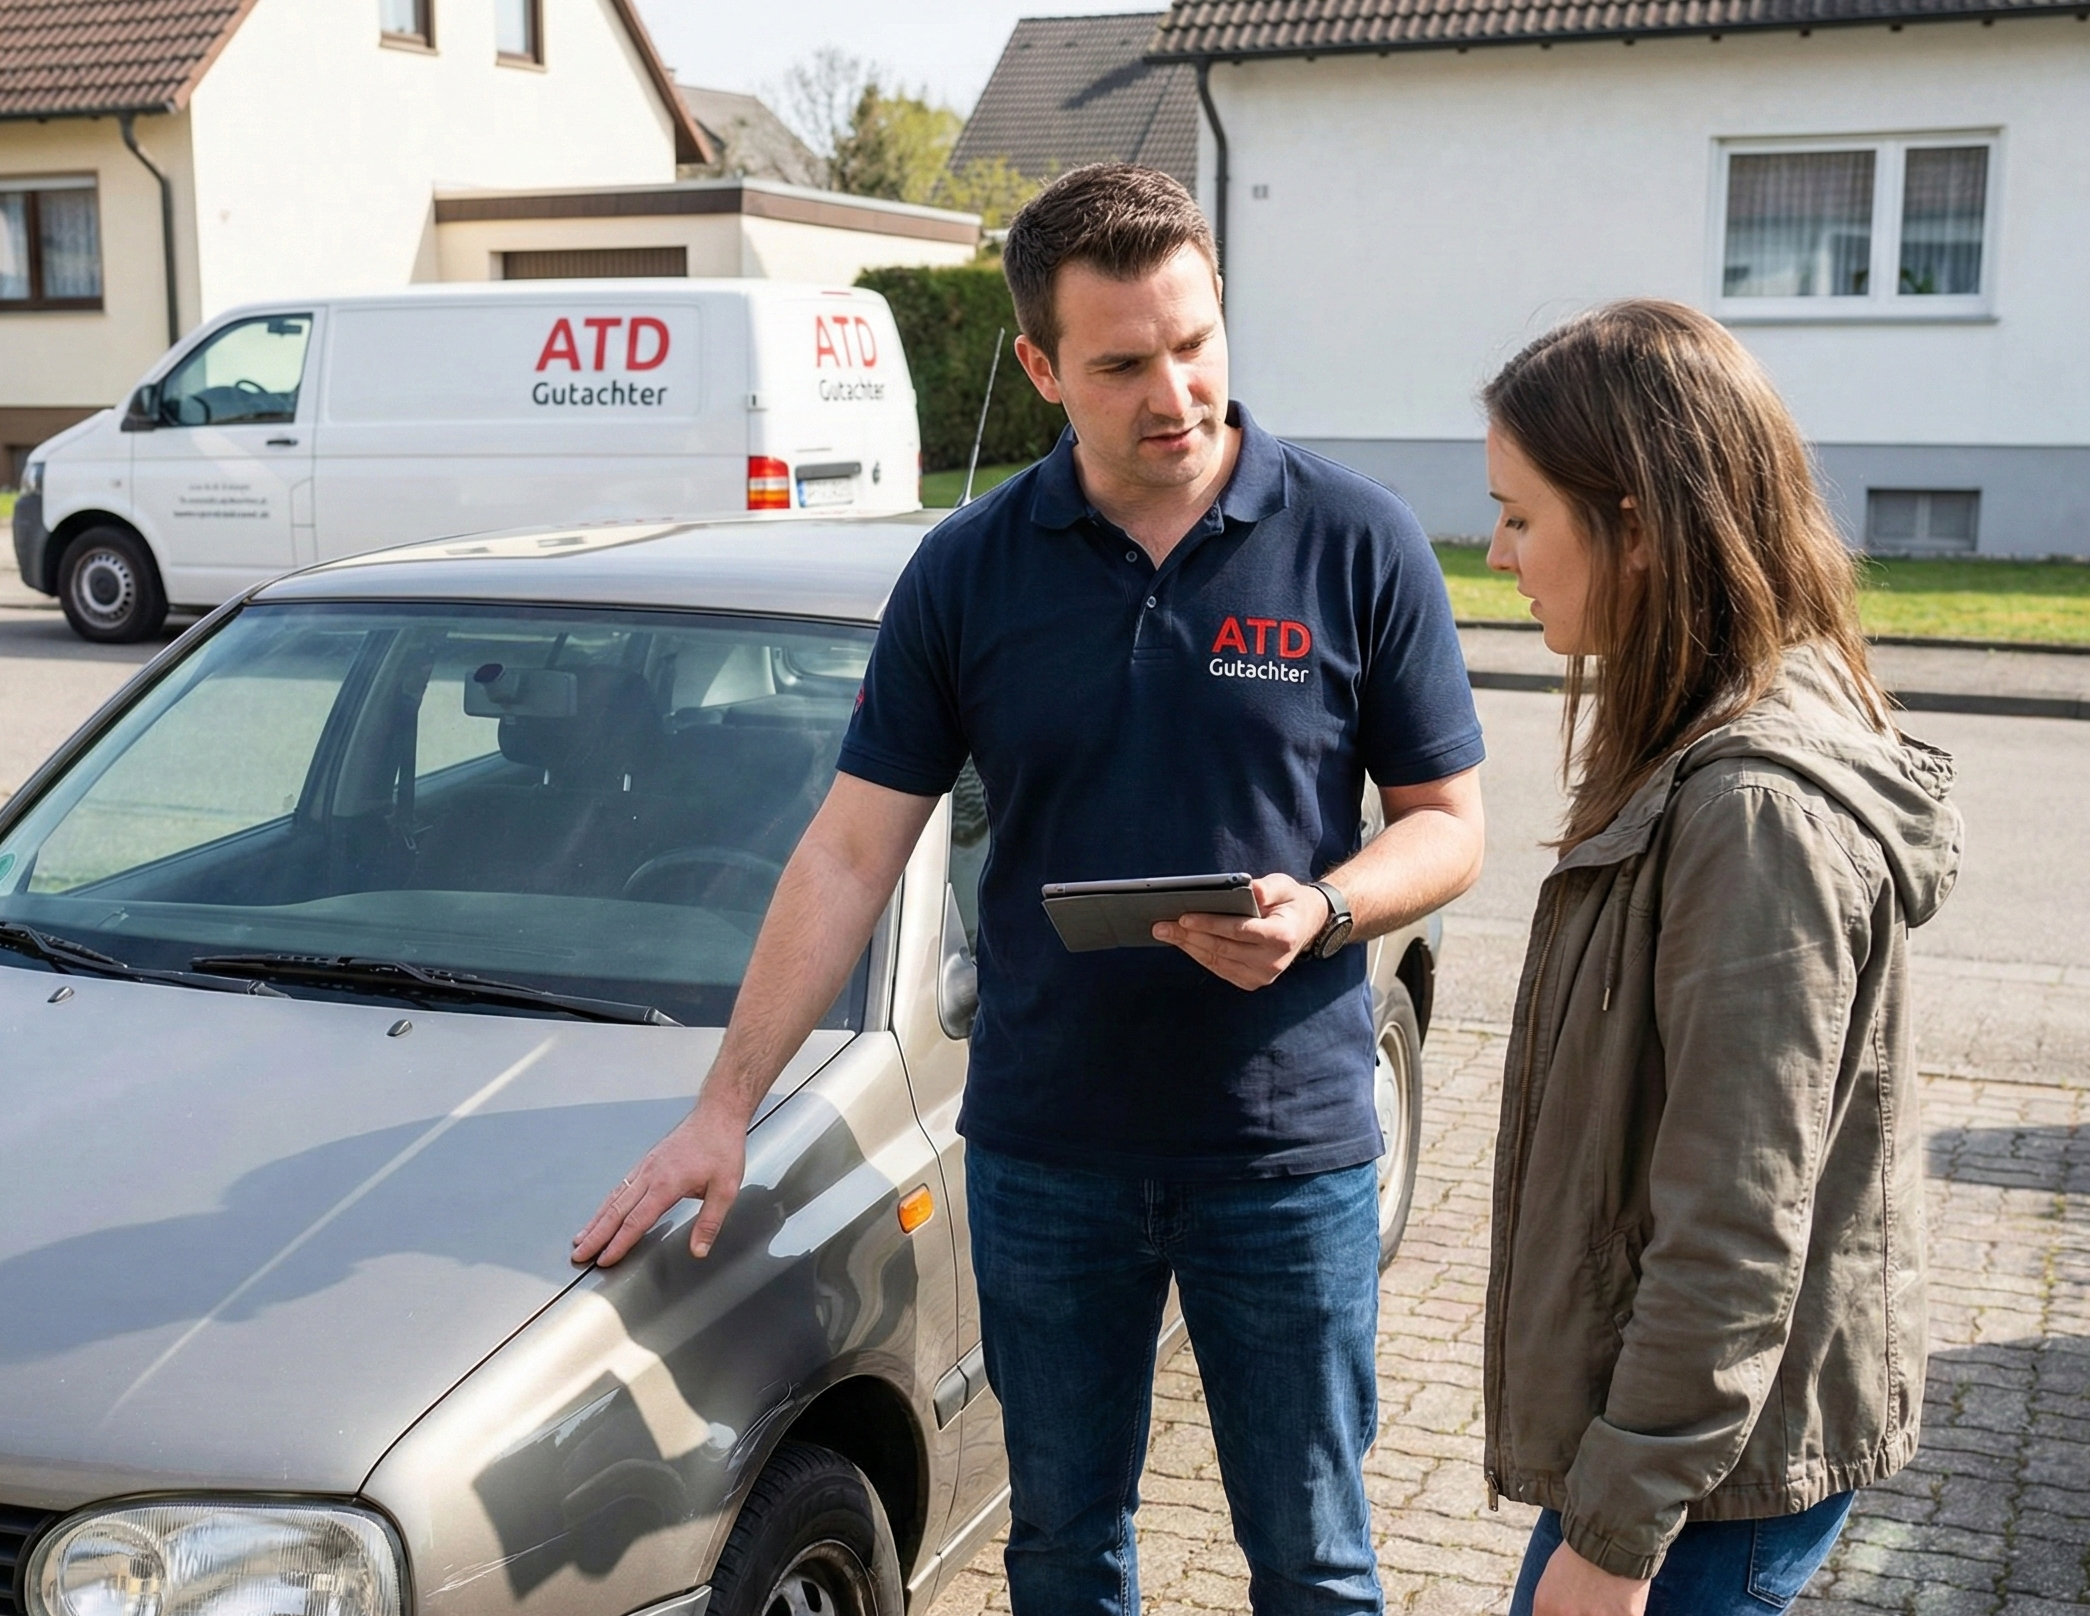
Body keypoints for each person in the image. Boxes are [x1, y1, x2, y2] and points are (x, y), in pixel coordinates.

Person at [573, 162, 1486, 1614]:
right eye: (1123, 365)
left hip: (1285, 1151)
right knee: (1065, 1548)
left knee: (1314, 1558)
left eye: (1195, 343)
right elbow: (848, 848)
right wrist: (723, 1109)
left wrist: (1327, 908)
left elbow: (1449, 826)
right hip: (1048, 1155)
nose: (1175, 393)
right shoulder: (970, 571)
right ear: (1041, 366)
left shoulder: (1355, 541)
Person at [1479, 300, 1961, 1616]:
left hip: (1705, 1487)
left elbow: (1737, 1228)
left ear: (1634, 525)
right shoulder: (1704, 732)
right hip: (1693, 1460)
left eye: (1523, 516)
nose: (1498, 549)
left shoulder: (1754, 809)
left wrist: (1617, 1534)